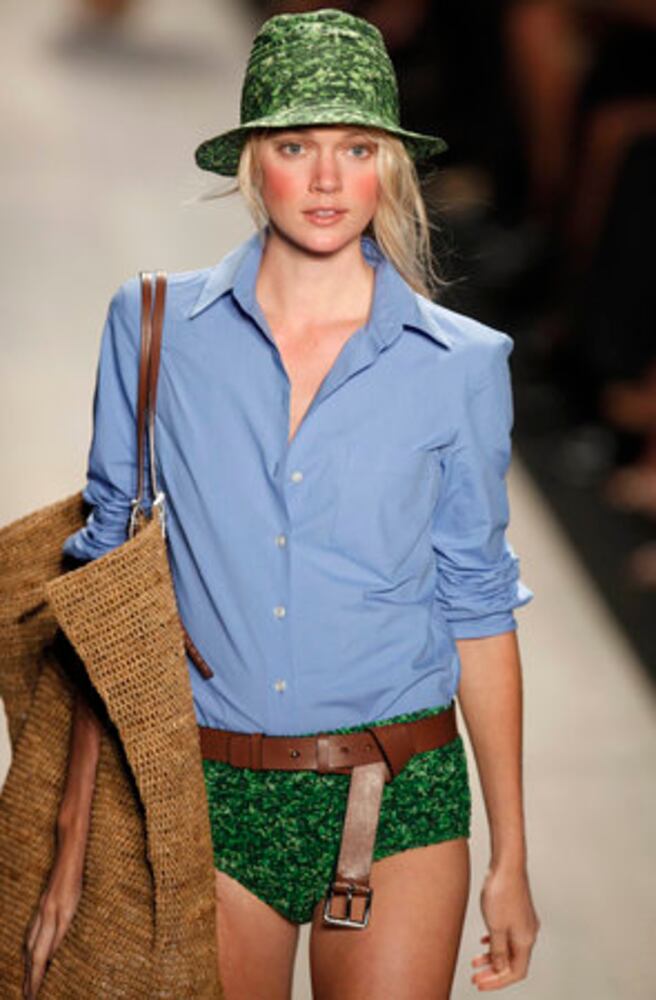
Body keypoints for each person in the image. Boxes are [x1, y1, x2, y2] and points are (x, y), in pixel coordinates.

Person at [23, 9, 540, 999]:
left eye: (356, 149)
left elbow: (476, 606)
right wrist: (71, 835)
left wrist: (511, 857)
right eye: (295, 146)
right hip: (208, 790)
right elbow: (104, 592)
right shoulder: (154, 327)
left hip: (400, 793)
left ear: (390, 168)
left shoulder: (461, 365)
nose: (325, 179)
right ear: (251, 164)